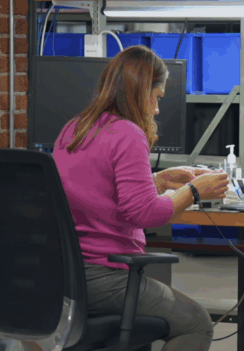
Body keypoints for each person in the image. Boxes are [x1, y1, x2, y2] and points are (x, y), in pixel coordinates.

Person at [52, 46, 229, 351]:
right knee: (197, 323)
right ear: (141, 91)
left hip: (64, 275)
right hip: (104, 277)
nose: (157, 109)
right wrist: (195, 191)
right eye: (157, 97)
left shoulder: (74, 128)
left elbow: (96, 194)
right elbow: (145, 214)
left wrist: (158, 181)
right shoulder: (128, 133)